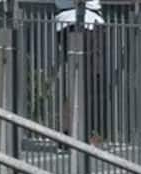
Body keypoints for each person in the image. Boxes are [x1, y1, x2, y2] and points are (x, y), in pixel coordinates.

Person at [53, 0, 106, 152]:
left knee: (77, 79)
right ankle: (82, 134)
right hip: (83, 20)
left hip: (73, 19)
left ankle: (69, 133)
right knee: (87, 80)